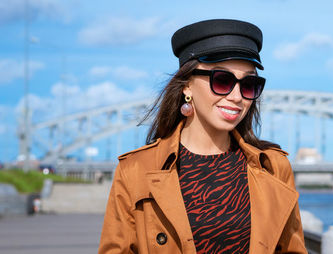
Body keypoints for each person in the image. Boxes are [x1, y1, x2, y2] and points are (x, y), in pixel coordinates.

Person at [99, 19, 307, 254]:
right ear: (187, 86)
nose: (237, 96)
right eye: (222, 80)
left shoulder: (274, 168)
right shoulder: (136, 170)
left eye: (249, 84)